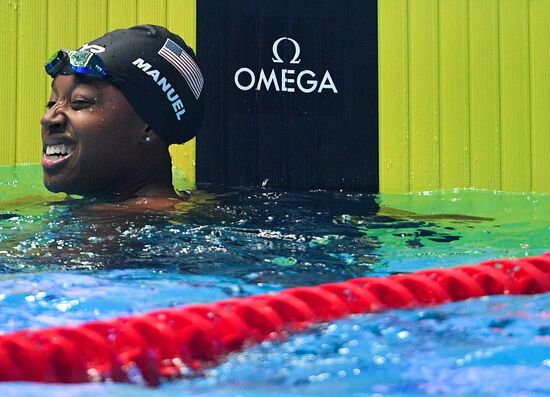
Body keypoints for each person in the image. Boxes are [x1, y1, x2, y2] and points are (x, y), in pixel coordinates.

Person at [40, 25, 204, 210]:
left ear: (149, 126)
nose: (48, 118)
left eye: (80, 102)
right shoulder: (88, 209)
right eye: (52, 103)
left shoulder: (119, 225)